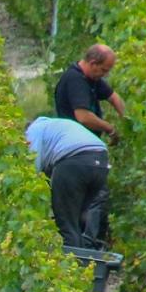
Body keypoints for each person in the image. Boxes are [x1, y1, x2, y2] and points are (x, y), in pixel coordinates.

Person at [53, 43, 125, 244]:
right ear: (93, 63)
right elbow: (83, 116)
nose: (104, 75)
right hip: (75, 153)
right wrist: (110, 128)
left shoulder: (92, 79)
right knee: (94, 198)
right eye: (103, 70)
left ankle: (82, 244)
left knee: (90, 199)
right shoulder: (75, 80)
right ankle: (85, 246)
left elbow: (113, 97)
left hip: (87, 151)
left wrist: (126, 119)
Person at [25, 116, 111, 249]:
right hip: (101, 160)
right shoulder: (55, 126)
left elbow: (32, 168)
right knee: (78, 222)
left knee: (66, 224)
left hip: (74, 161)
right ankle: (90, 262)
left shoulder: (33, 130)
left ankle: (73, 266)